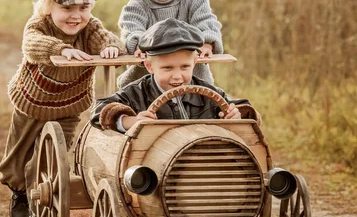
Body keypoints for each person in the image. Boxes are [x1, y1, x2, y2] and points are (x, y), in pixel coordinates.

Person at [0, 0, 124, 217]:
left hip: (69, 106)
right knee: (16, 163)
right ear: (48, 7)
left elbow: (105, 38)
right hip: (31, 102)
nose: (75, 16)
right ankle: (18, 190)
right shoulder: (39, 25)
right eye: (67, 9)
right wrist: (62, 48)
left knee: (51, 161)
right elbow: (33, 44)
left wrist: (110, 47)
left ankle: (37, 215)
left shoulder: (90, 28)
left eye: (83, 8)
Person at [91, 18, 260, 132]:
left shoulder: (208, 94)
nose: (177, 76)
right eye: (168, 68)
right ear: (149, 66)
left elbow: (244, 109)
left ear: (194, 63)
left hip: (203, 162)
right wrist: (129, 121)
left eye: (185, 67)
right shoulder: (137, 93)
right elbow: (99, 110)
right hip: (153, 168)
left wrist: (236, 114)